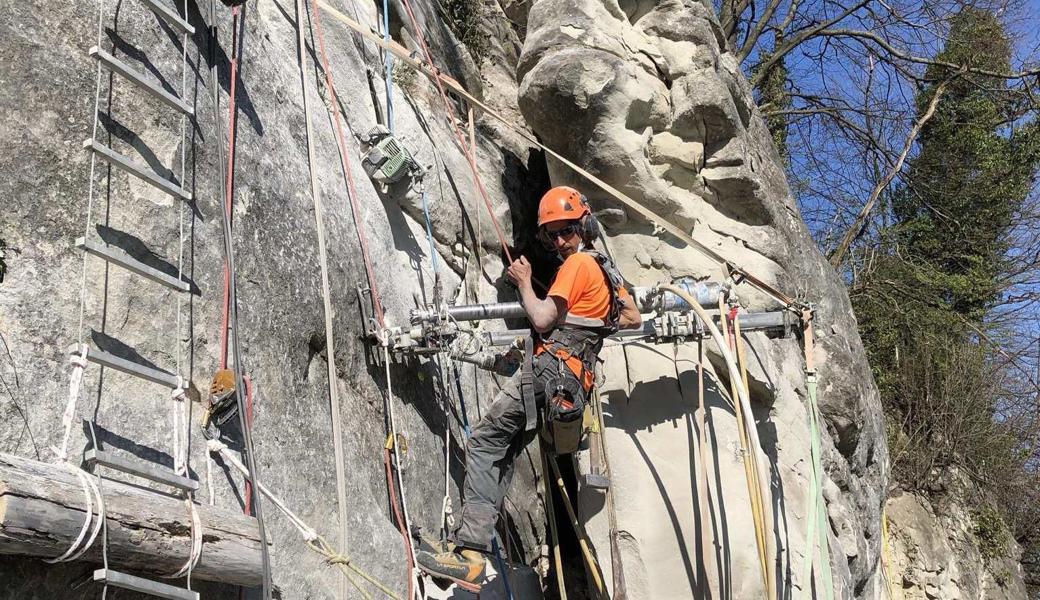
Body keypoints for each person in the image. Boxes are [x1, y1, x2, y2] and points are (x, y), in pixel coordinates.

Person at [416, 186, 642, 591]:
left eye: (566, 231)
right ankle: (471, 549)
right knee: (501, 452)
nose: (558, 242)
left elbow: (540, 318)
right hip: (571, 383)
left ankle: (470, 553)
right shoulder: (608, 270)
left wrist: (523, 281)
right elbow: (632, 317)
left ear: (584, 226)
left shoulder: (577, 266)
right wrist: (589, 323)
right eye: (550, 235)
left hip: (547, 374)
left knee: (484, 441)